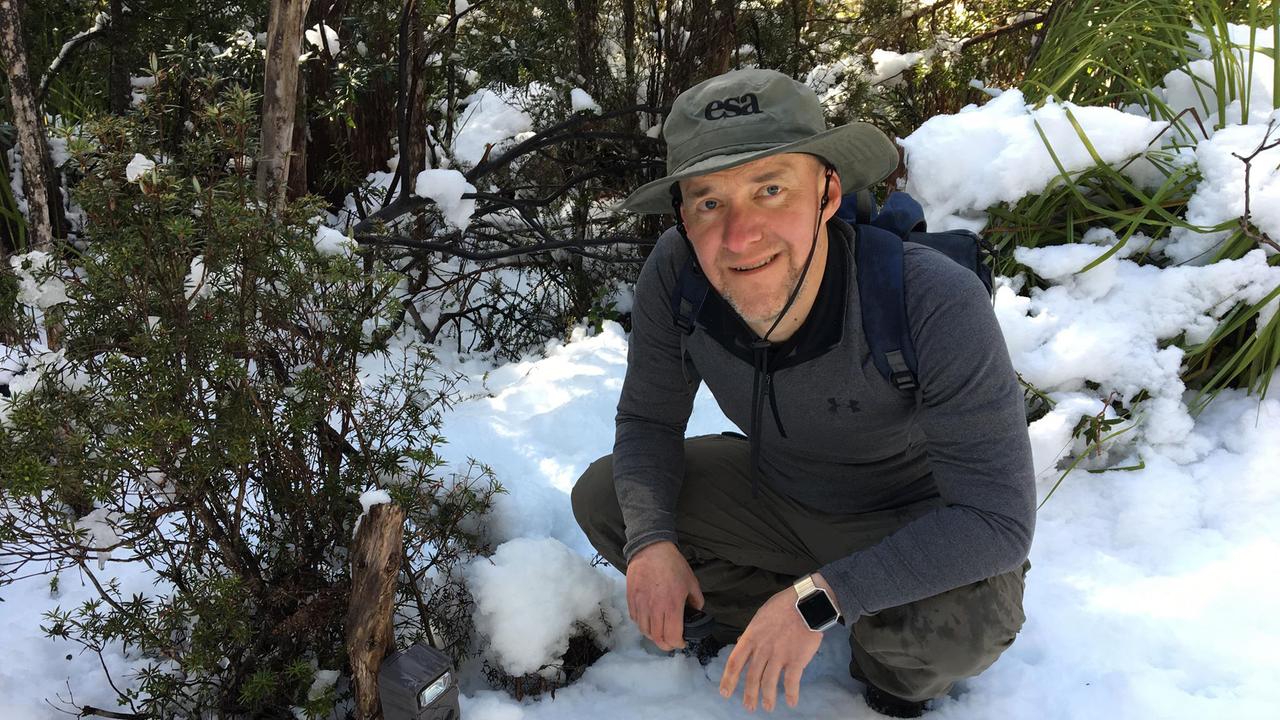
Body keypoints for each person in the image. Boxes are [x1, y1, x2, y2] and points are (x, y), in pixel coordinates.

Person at [571, 68, 1035, 718]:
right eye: (709, 202)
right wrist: (650, 541)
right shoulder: (678, 274)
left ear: (826, 191)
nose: (739, 236)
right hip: (775, 497)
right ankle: (746, 616)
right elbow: (649, 420)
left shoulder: (929, 298)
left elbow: (996, 519)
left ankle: (882, 664)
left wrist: (822, 598)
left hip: (907, 518)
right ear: (681, 212)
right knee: (607, 500)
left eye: (770, 189)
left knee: (966, 622)